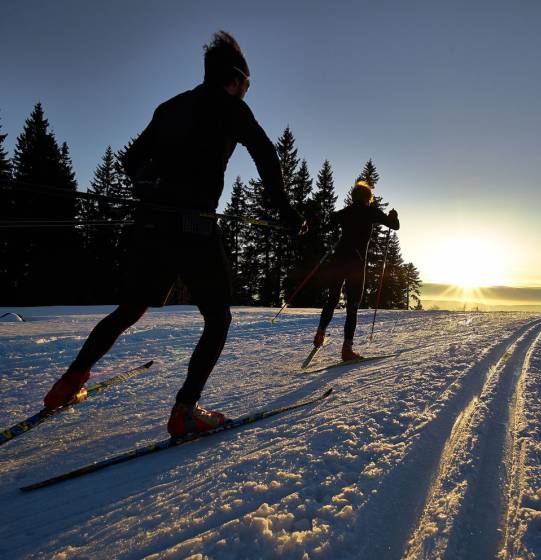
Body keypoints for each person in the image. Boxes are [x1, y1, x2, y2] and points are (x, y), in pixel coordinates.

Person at [43, 31, 304, 436]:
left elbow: (132, 159)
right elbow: (267, 158)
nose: (246, 92)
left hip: (152, 224)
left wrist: (148, 188)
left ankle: (68, 383)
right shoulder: (232, 109)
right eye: (247, 84)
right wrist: (287, 211)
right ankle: (185, 409)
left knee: (130, 309)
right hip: (194, 226)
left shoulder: (170, 107)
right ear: (234, 79)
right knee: (217, 318)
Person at [313, 180, 399, 360]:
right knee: (352, 307)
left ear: (353, 197)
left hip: (338, 261)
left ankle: (320, 334)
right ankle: (347, 349)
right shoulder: (371, 212)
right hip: (356, 265)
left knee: (332, 299)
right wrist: (393, 216)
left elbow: (326, 226)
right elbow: (394, 225)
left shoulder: (344, 212)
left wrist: (314, 220)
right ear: (368, 198)